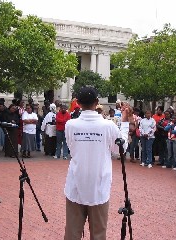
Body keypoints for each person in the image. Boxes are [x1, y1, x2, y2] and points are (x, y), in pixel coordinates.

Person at [64, 86, 131, 240]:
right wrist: (125, 123)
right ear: (97, 102)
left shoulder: (70, 125)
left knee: (72, 234)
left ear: (78, 102)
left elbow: (72, 148)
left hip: (76, 185)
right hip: (99, 187)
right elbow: (120, 148)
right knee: (99, 234)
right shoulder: (108, 126)